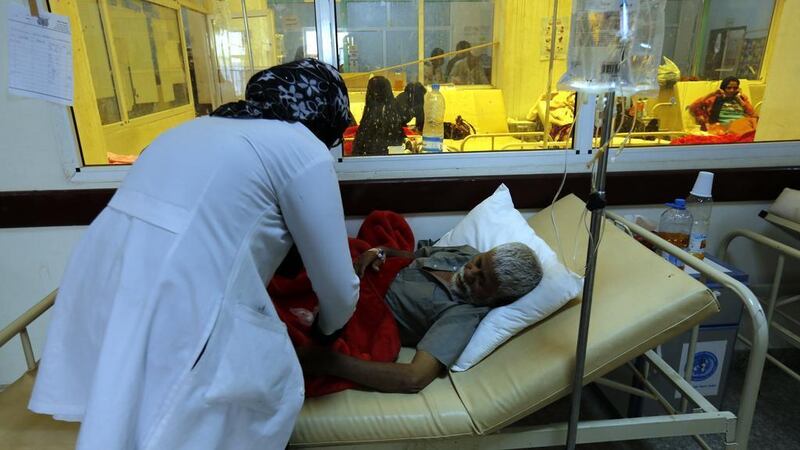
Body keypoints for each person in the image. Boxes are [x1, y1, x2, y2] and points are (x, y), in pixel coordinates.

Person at [29, 59, 360, 450]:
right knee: (241, 400)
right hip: (182, 290)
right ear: (327, 113)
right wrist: (326, 330)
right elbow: (338, 286)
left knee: (125, 410)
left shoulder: (193, 128)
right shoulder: (301, 147)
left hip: (104, 277)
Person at [299, 242, 543, 393]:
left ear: (496, 298)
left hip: (361, 308)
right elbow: (411, 255)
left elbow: (414, 377)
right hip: (357, 272)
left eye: (482, 281)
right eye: (478, 263)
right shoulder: (465, 253)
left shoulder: (462, 316)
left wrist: (328, 362)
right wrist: (379, 251)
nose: (470, 272)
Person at [352, 76, 409, 155]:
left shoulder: (370, 114)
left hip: (369, 160)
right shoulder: (392, 113)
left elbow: (359, 148)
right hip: (393, 159)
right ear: (389, 91)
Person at [688, 76, 757, 133]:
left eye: (735, 88)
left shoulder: (742, 99)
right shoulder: (714, 99)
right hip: (724, 127)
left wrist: (740, 101)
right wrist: (711, 94)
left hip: (743, 124)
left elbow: (753, 115)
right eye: (729, 88)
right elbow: (693, 107)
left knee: (752, 123)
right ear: (723, 88)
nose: (732, 90)